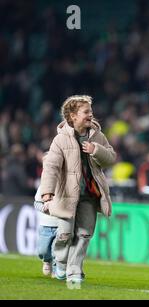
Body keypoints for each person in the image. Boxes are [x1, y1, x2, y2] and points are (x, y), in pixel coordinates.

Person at [40, 95, 116, 286]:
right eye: (86, 112)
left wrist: (96, 150)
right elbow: (51, 167)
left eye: (91, 111)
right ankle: (61, 261)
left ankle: (75, 270)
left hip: (89, 195)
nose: (91, 115)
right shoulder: (60, 140)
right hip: (66, 195)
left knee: (84, 234)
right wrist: (47, 192)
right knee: (65, 234)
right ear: (73, 116)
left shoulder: (98, 136)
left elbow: (111, 158)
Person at [34, 184, 59, 278]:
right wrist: (43, 208)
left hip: (61, 224)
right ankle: (46, 260)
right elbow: (36, 203)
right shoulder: (44, 186)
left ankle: (56, 269)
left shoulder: (67, 186)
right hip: (45, 224)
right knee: (43, 250)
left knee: (57, 250)